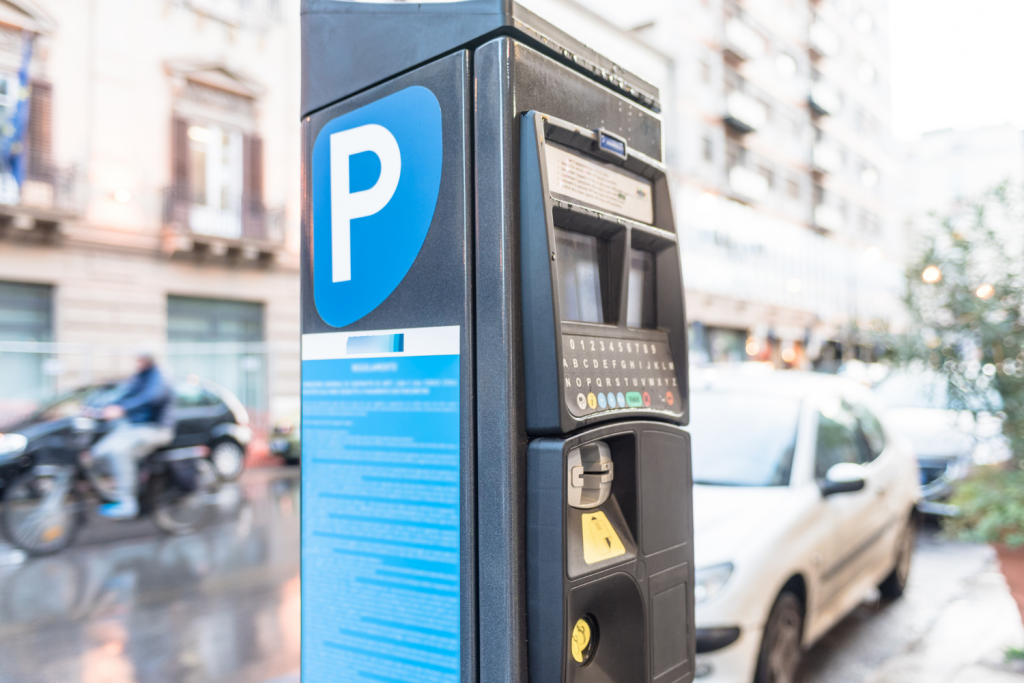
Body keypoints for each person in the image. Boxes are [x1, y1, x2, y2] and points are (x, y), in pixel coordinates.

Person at [92, 350, 175, 519]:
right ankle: (118, 484)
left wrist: (123, 408)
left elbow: (150, 397)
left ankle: (127, 502)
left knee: (120, 453)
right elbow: (123, 394)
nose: (137, 363)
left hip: (156, 428)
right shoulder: (139, 376)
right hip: (133, 427)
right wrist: (99, 408)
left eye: (140, 360)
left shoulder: (160, 377)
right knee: (98, 452)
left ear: (149, 360)